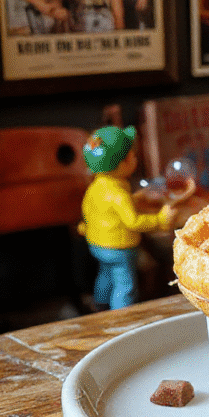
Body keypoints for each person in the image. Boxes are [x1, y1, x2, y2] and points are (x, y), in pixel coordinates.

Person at [79, 125, 175, 310]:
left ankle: (99, 305)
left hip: (97, 244)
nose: (135, 159)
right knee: (125, 285)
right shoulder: (118, 194)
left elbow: (93, 210)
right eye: (132, 156)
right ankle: (122, 318)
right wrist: (161, 220)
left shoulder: (96, 187)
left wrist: (136, 198)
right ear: (121, 163)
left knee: (106, 274)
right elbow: (133, 222)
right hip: (119, 248)